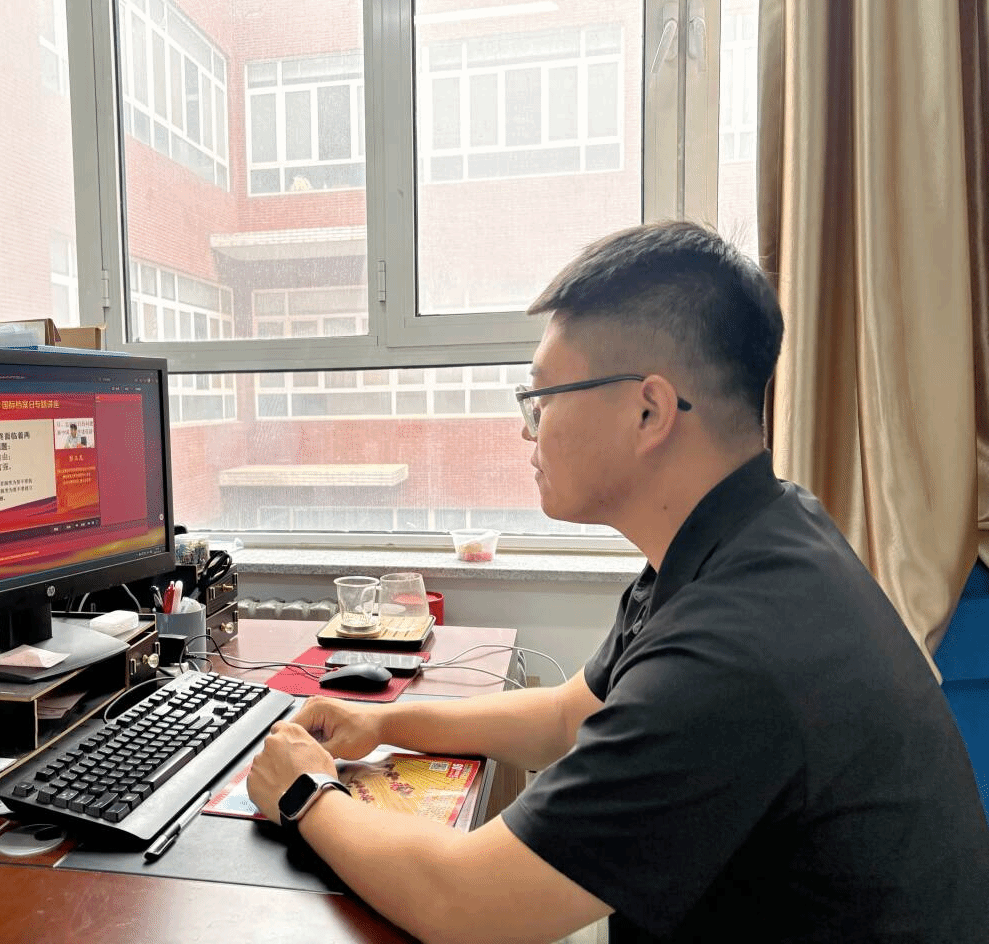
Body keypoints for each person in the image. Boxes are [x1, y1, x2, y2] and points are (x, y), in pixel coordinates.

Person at [247, 221, 989, 943]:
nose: (527, 429)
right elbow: (565, 718)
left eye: (543, 397)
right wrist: (384, 724)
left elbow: (465, 905)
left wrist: (306, 792)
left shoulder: (736, 645)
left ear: (649, 410)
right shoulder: (750, 531)